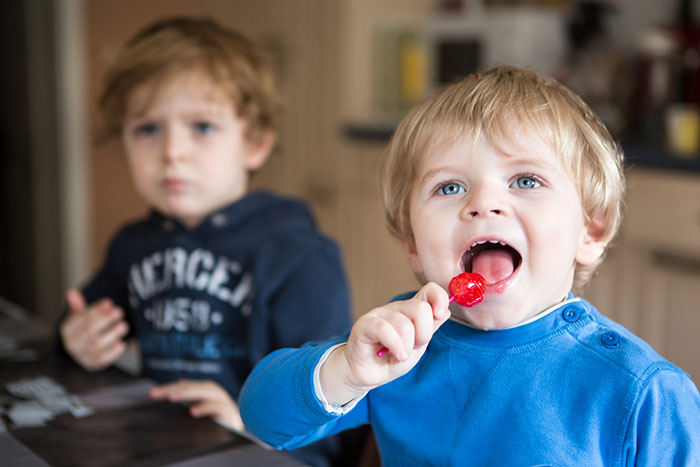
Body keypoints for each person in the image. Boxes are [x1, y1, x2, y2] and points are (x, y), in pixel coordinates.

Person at [239, 66, 700, 465]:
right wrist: (344, 370)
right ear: (412, 243)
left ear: (591, 231)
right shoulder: (399, 348)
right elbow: (262, 420)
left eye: (525, 180)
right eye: (449, 187)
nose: (484, 204)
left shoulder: (643, 393)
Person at [55, 17, 357, 466]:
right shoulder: (132, 245)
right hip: (163, 445)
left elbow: (332, 410)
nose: (172, 151)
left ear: (254, 144)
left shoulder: (302, 258)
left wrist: (244, 424)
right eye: (147, 129)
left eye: (202, 127)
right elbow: (84, 316)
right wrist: (74, 338)